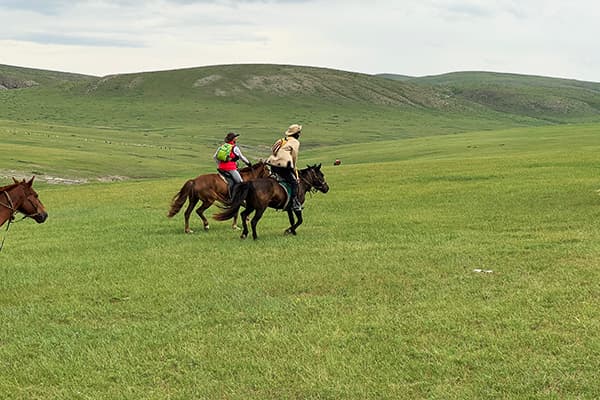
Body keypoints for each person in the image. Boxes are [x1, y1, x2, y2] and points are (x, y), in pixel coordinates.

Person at [267, 124, 302, 211]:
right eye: (299, 133)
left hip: (272, 164)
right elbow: (294, 156)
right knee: (294, 183)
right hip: (284, 166)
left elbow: (273, 150)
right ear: (296, 134)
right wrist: (294, 168)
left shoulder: (282, 140)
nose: (299, 134)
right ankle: (294, 203)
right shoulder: (295, 142)